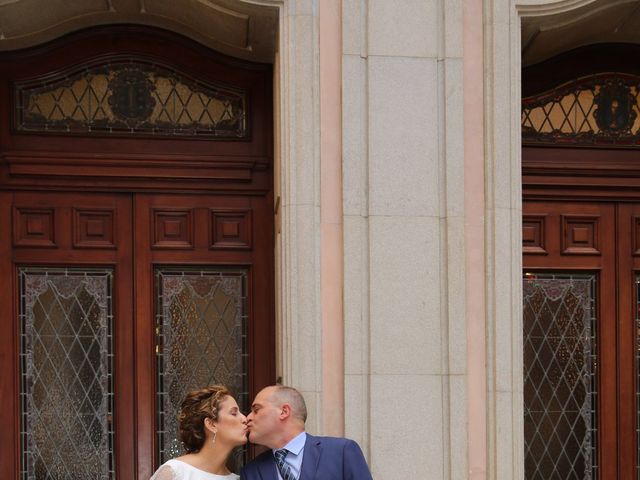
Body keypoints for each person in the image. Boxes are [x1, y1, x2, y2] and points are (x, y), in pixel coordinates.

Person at [240, 385, 373, 480]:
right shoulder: (251, 472)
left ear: (284, 411)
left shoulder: (341, 452)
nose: (248, 417)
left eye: (256, 410)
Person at [151, 385, 248, 480]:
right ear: (211, 424)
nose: (245, 419)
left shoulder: (237, 478)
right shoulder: (176, 472)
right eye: (234, 413)